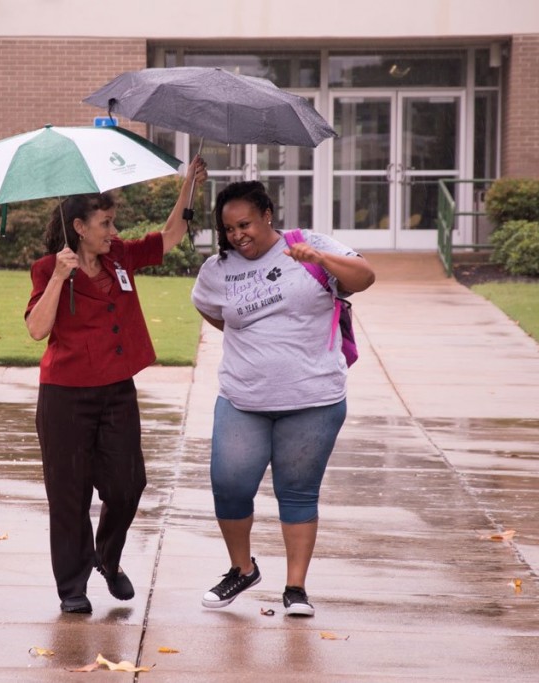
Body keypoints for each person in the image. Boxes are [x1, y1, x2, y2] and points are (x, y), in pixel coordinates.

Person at [25, 155, 208, 614]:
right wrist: (60, 278)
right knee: (69, 495)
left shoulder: (120, 256)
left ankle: (106, 557)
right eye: (105, 223)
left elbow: (169, 237)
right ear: (80, 227)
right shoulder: (49, 269)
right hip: (65, 397)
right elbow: (35, 330)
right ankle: (72, 586)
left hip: (116, 392)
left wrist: (188, 187)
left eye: (113, 223)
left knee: (128, 485)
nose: (113, 231)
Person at [190, 180, 375, 617]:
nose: (238, 235)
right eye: (230, 228)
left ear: (268, 214)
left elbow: (364, 277)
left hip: (313, 399)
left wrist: (319, 259)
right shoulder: (217, 269)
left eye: (246, 224)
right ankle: (242, 569)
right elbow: (210, 310)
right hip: (243, 398)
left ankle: (296, 588)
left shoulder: (308, 244)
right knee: (230, 486)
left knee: (297, 492)